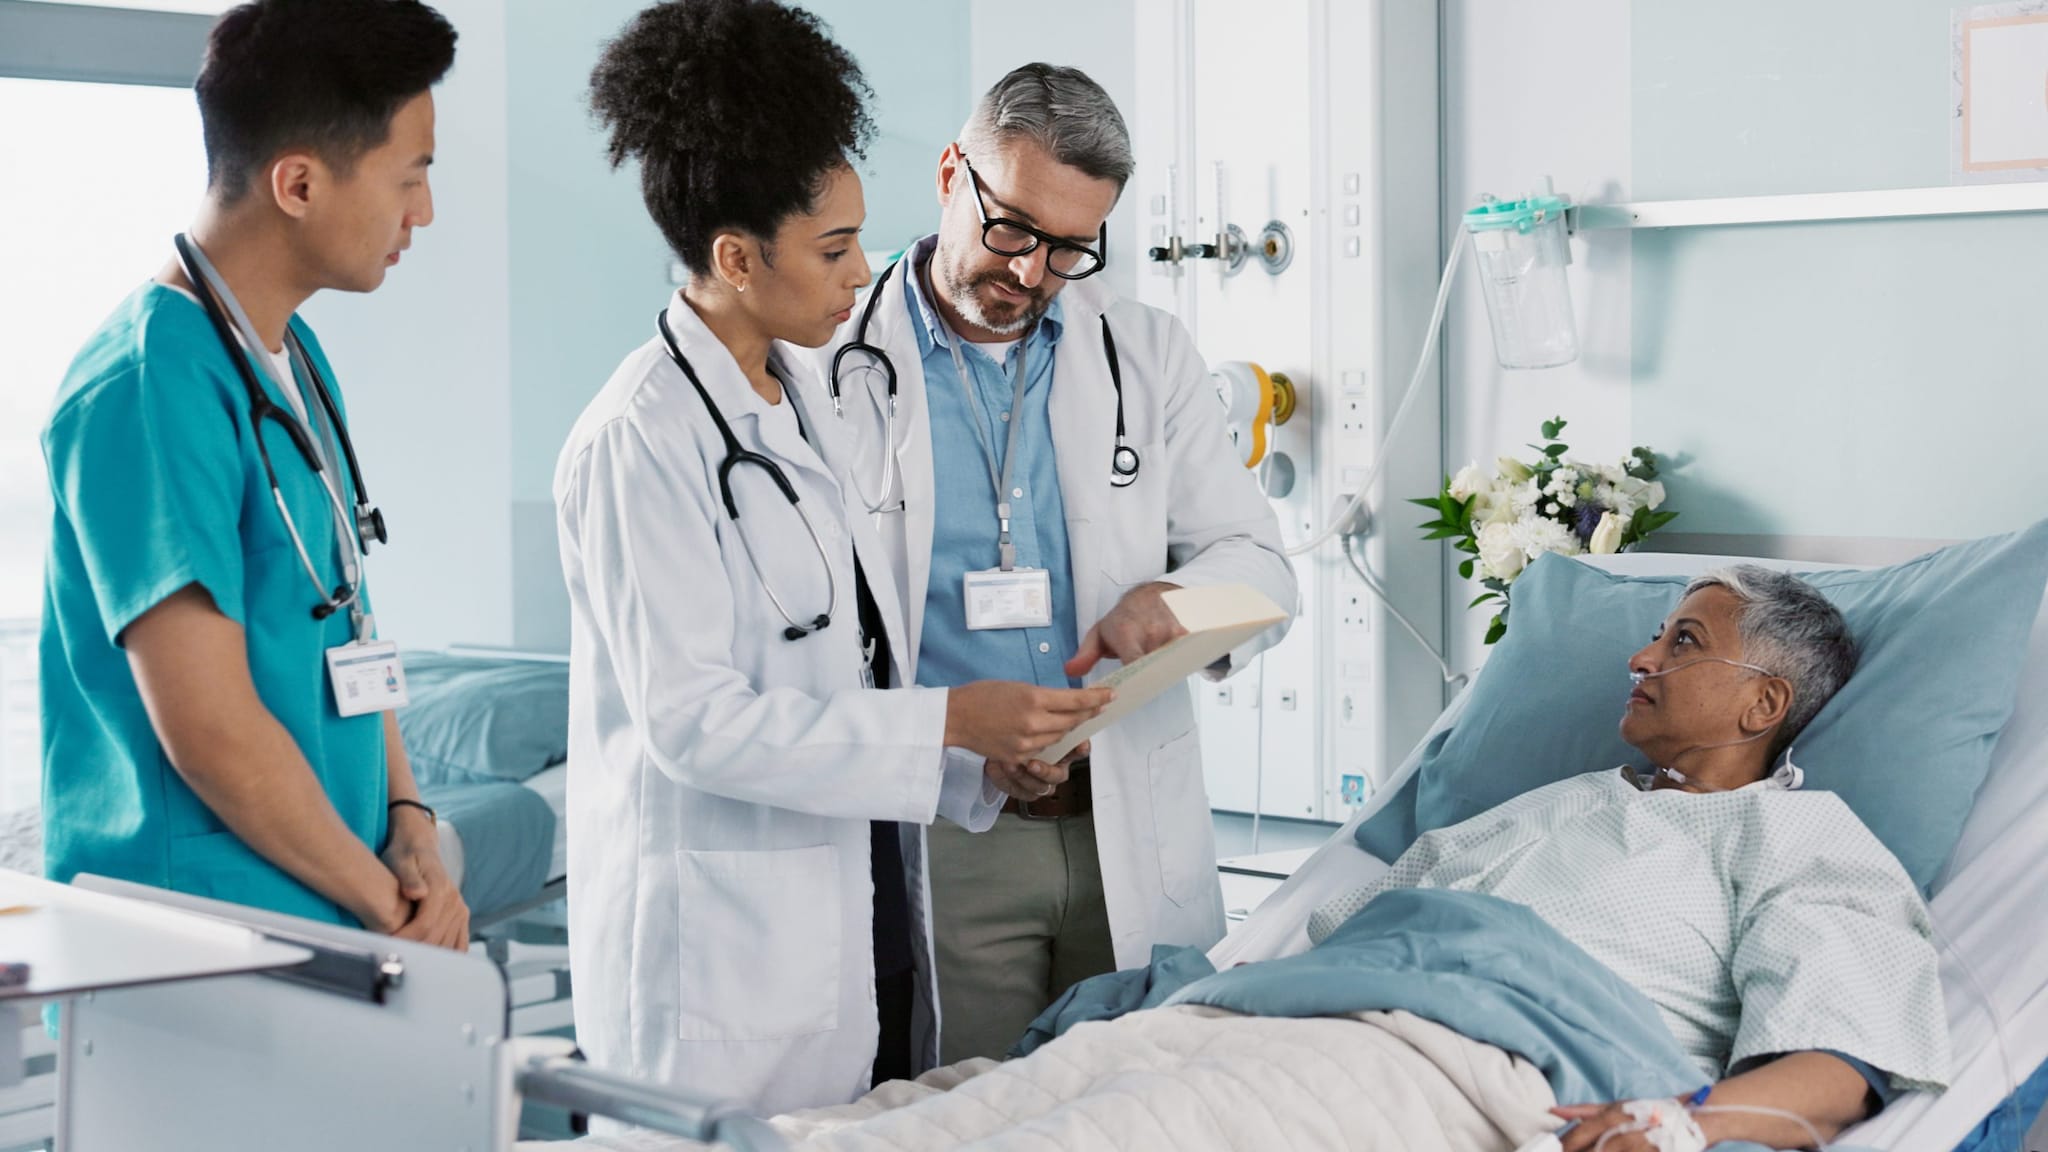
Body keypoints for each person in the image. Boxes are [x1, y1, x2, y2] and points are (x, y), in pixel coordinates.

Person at [597, 568, 1943, 1151]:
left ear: (1767, 706)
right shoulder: (1547, 807)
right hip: (1262, 1014)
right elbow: (1353, 926)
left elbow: (1837, 1059)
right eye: (1652, 631)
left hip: (1457, 1074)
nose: (1644, 656)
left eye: (1687, 643)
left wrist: (1682, 1128)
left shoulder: (1803, 840)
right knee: (930, 1112)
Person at [555, 0, 1114, 1118]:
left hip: (845, 918)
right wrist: (951, 722)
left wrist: (972, 762)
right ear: (732, 256)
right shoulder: (639, 438)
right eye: (832, 248)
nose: (864, 270)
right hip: (712, 959)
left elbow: (841, 669)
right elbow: (693, 721)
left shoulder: (810, 397)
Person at [815, 63, 1298, 1064]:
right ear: (952, 173)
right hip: (950, 824)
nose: (1032, 274)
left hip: (1126, 810)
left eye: (1070, 248)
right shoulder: (832, 367)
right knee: (972, 1110)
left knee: (1142, 1101)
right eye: (1012, 231)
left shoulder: (1144, 351)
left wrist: (1175, 598)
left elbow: (1260, 565)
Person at [39, 0, 468, 949]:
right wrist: (382, 902)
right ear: (300, 184)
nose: (423, 211)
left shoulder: (293, 360)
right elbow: (208, 725)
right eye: (411, 175)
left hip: (329, 910)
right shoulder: (150, 384)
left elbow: (347, 618)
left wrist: (410, 820)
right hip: (191, 938)